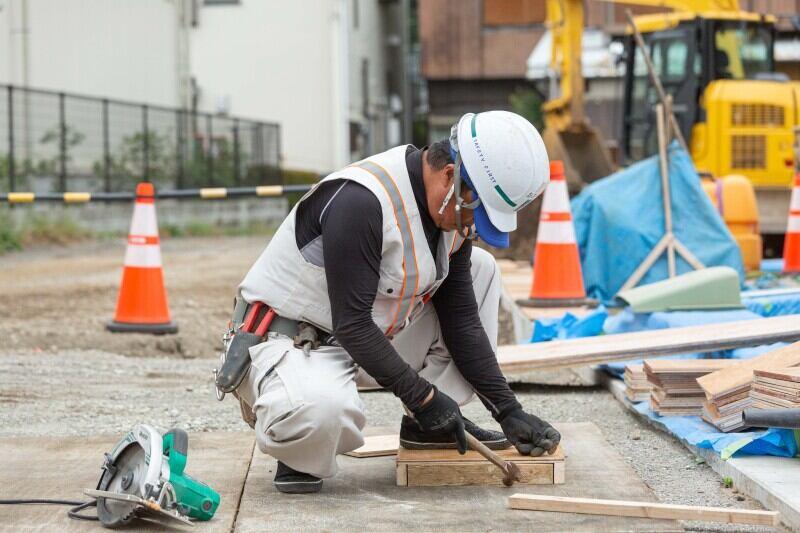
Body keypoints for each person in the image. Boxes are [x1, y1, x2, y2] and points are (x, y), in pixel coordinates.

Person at [218, 110, 560, 494]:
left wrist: (508, 410)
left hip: (361, 340)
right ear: (450, 176)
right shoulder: (362, 201)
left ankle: (424, 429)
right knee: (319, 415)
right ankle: (296, 446)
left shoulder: (450, 212)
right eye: (475, 212)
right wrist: (425, 398)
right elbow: (352, 323)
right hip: (289, 344)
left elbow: (462, 320)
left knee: (482, 270)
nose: (473, 226)